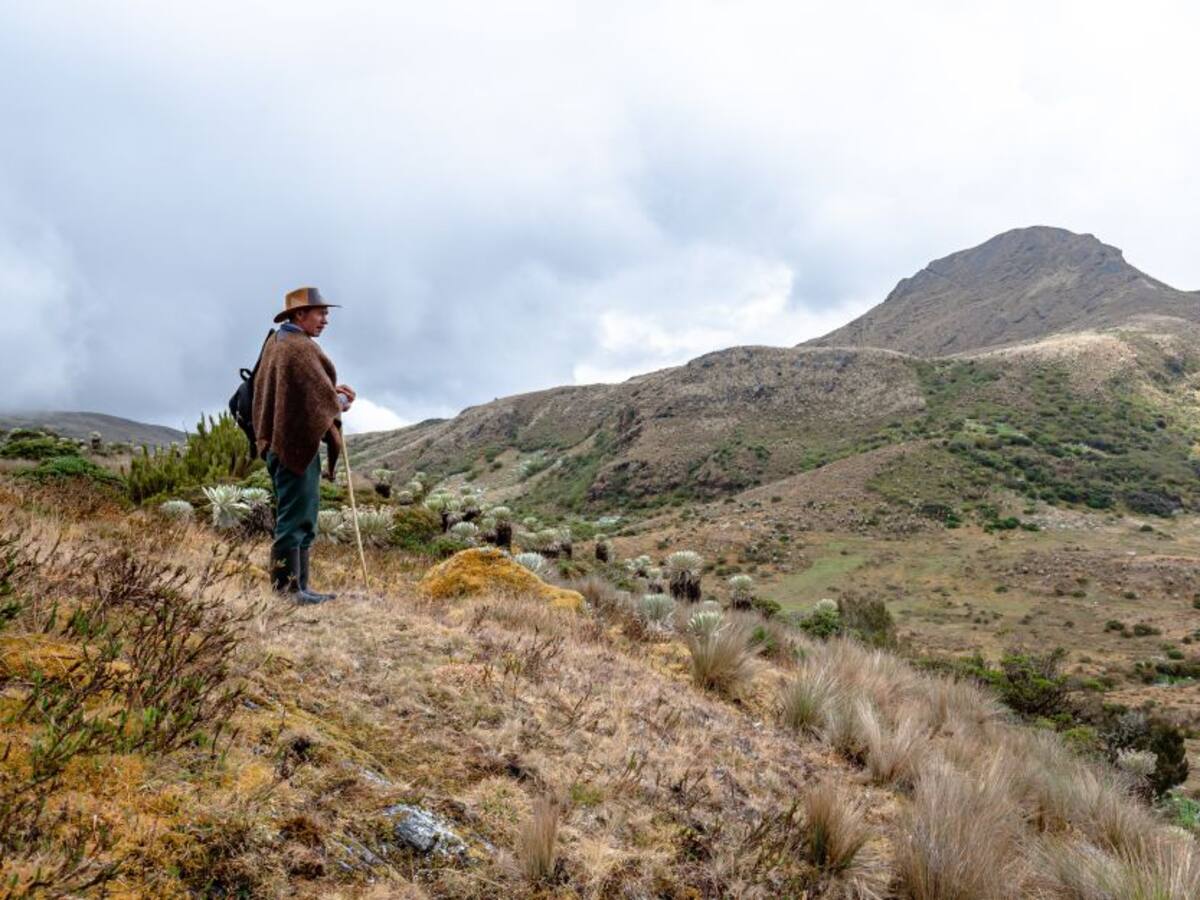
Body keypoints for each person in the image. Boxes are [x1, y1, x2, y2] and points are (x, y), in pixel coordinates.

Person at [252, 286, 356, 603]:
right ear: (300, 314)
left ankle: (301, 588)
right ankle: (288, 591)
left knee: (301, 515)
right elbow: (320, 402)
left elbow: (301, 395)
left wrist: (327, 395)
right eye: (320, 313)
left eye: (326, 313)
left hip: (282, 442)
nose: (325, 319)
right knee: (295, 518)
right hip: (292, 446)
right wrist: (340, 400)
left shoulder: (278, 343)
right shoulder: (297, 348)